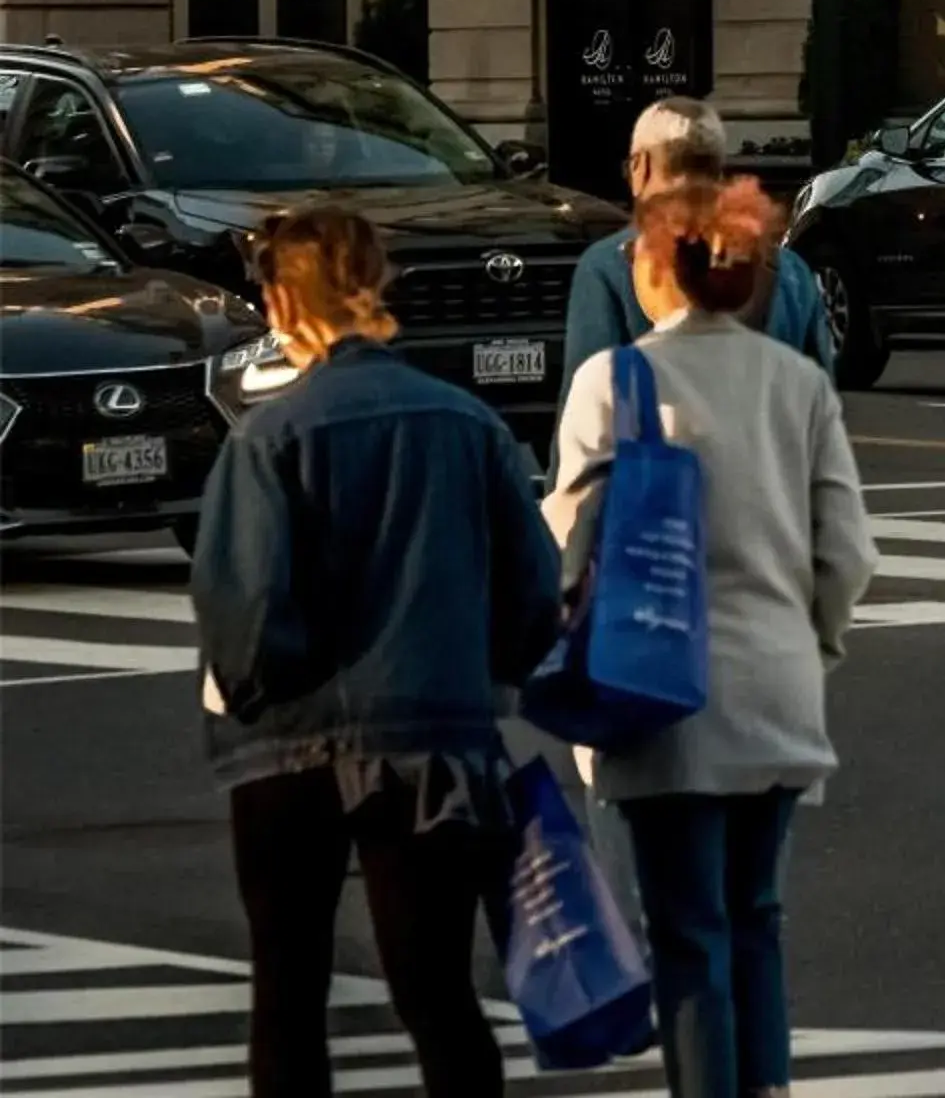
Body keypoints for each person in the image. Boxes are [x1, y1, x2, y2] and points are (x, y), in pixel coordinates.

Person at [192, 205, 563, 1098]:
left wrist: (257, 687)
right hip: (436, 733)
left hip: (289, 746)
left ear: (283, 303)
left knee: (288, 989)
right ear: (377, 285)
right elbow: (533, 594)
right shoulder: (468, 425)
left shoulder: (270, 438)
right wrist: (484, 676)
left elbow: (242, 611)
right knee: (437, 993)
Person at [547, 176, 876, 1098]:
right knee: (755, 918)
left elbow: (571, 537)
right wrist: (815, 643)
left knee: (687, 931)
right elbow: (846, 551)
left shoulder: (613, 383)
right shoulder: (799, 381)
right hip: (778, 683)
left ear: (655, 267)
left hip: (660, 688)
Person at [564, 97, 834, 391]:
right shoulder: (791, 272)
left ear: (640, 167)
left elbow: (585, 402)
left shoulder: (606, 266)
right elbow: (821, 398)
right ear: (718, 171)